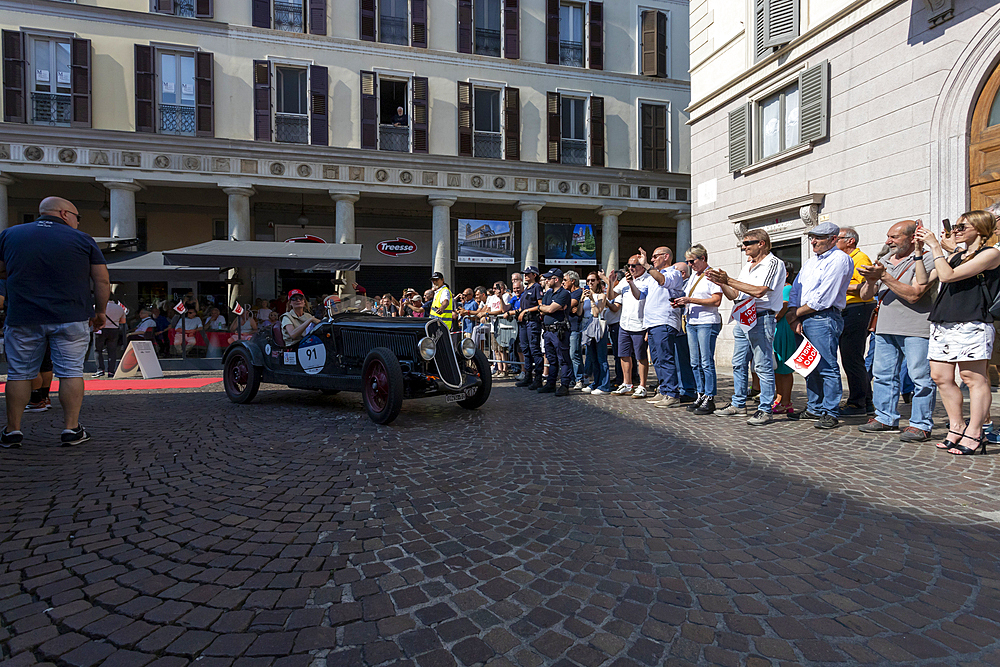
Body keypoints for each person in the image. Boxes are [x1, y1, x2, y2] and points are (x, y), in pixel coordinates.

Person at [0, 196, 109, 448]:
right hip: (70, 315)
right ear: (64, 214)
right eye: (77, 217)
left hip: (24, 316)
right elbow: (102, 280)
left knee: (18, 374)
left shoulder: (10, 235)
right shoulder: (82, 239)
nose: (77, 223)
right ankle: (71, 429)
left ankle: (12, 430)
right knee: (70, 372)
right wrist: (101, 312)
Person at [915, 211, 1000, 454]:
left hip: (972, 320)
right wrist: (922, 251)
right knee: (940, 376)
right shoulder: (957, 255)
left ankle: (975, 433)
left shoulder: (991, 254)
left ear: (980, 229)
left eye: (962, 226)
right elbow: (923, 280)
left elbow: (947, 275)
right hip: (944, 321)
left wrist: (936, 246)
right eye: (956, 226)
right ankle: (956, 427)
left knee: (973, 378)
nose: (956, 230)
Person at [857, 220, 938, 442]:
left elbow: (914, 294)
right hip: (884, 326)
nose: (888, 241)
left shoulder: (927, 258)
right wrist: (871, 280)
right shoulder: (884, 260)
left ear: (912, 238)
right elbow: (866, 295)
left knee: (920, 377)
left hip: (916, 326)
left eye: (894, 237)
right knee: (883, 374)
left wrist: (884, 276)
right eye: (888, 237)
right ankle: (885, 417)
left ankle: (920, 424)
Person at [706, 229, 786, 425]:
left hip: (761, 317)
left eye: (749, 243)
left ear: (762, 243)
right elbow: (734, 294)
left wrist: (729, 280)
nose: (744, 247)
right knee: (738, 363)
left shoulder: (774, 263)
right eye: (743, 243)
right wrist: (721, 283)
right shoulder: (748, 265)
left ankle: (765, 409)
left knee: (762, 365)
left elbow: (759, 291)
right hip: (743, 317)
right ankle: (738, 403)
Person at [786, 222, 855, 429]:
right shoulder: (811, 262)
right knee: (809, 366)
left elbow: (823, 298)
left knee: (826, 366)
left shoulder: (839, 259)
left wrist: (793, 314)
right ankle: (814, 408)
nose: (814, 241)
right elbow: (797, 288)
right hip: (804, 317)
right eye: (812, 237)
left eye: (819, 238)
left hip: (824, 318)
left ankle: (830, 411)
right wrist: (794, 313)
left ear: (833, 239)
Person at [640, 246, 696, 408]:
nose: (652, 259)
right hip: (651, 323)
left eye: (655, 256)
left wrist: (647, 268)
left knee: (665, 357)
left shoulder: (674, 273)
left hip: (664, 320)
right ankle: (664, 390)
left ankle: (672, 393)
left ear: (666, 257)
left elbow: (663, 281)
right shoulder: (651, 276)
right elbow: (639, 295)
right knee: (657, 359)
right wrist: (631, 280)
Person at [672, 244, 723, 415]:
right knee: (694, 362)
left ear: (703, 259)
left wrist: (690, 300)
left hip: (707, 322)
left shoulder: (711, 275)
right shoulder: (694, 277)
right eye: (688, 261)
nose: (690, 264)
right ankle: (700, 393)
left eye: (692, 261)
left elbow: (716, 300)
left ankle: (709, 396)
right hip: (692, 322)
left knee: (706, 361)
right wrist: (681, 302)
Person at [836, 227, 876, 416]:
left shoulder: (860, 258)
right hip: (848, 309)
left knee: (852, 356)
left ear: (850, 241)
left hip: (857, 308)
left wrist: (838, 284)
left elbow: (866, 285)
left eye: (838, 239)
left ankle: (857, 403)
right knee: (850, 357)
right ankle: (865, 400)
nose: (835, 242)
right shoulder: (845, 259)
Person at [605, 255, 653, 397]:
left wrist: (631, 282)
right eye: (629, 266)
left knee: (640, 356)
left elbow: (639, 296)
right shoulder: (625, 281)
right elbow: (612, 296)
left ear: (642, 266)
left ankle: (642, 385)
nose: (631, 269)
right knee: (624, 355)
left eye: (634, 265)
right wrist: (610, 282)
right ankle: (627, 383)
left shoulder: (648, 279)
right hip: (624, 323)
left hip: (640, 324)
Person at [537, 268, 573, 396]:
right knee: (551, 359)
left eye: (548, 279)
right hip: (547, 331)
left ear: (556, 279)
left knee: (563, 359)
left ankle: (564, 385)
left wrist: (548, 308)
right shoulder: (548, 293)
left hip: (559, 330)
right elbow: (541, 308)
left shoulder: (564, 294)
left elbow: (551, 309)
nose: (546, 281)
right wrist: (546, 308)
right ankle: (551, 384)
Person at [771, 265, 798, 416]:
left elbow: (785, 304)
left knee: (784, 366)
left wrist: (776, 316)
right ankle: (779, 398)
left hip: (783, 328)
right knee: (777, 366)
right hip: (777, 329)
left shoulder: (787, 288)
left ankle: (786, 401)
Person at [581, 271, 612, 395]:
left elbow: (596, 312)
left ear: (598, 281)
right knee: (592, 357)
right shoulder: (585, 296)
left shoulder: (601, 296)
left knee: (601, 358)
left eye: (592, 280)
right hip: (588, 329)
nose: (590, 283)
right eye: (588, 281)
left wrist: (591, 299)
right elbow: (579, 312)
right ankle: (596, 382)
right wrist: (582, 300)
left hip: (598, 329)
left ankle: (604, 385)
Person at [515, 267, 544, 389]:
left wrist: (526, 311)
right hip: (524, 323)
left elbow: (540, 305)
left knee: (534, 350)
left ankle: (538, 378)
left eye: (528, 274)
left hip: (532, 321)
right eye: (525, 274)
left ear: (534, 275)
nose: (525, 276)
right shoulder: (526, 289)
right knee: (525, 349)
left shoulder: (536, 287)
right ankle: (528, 376)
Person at [93, 295, 126, 378]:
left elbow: (92, 319)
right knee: (112, 351)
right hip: (114, 330)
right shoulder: (119, 308)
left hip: (100, 329)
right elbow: (123, 321)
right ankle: (111, 371)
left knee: (98, 350)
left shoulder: (96, 307)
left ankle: (100, 370)